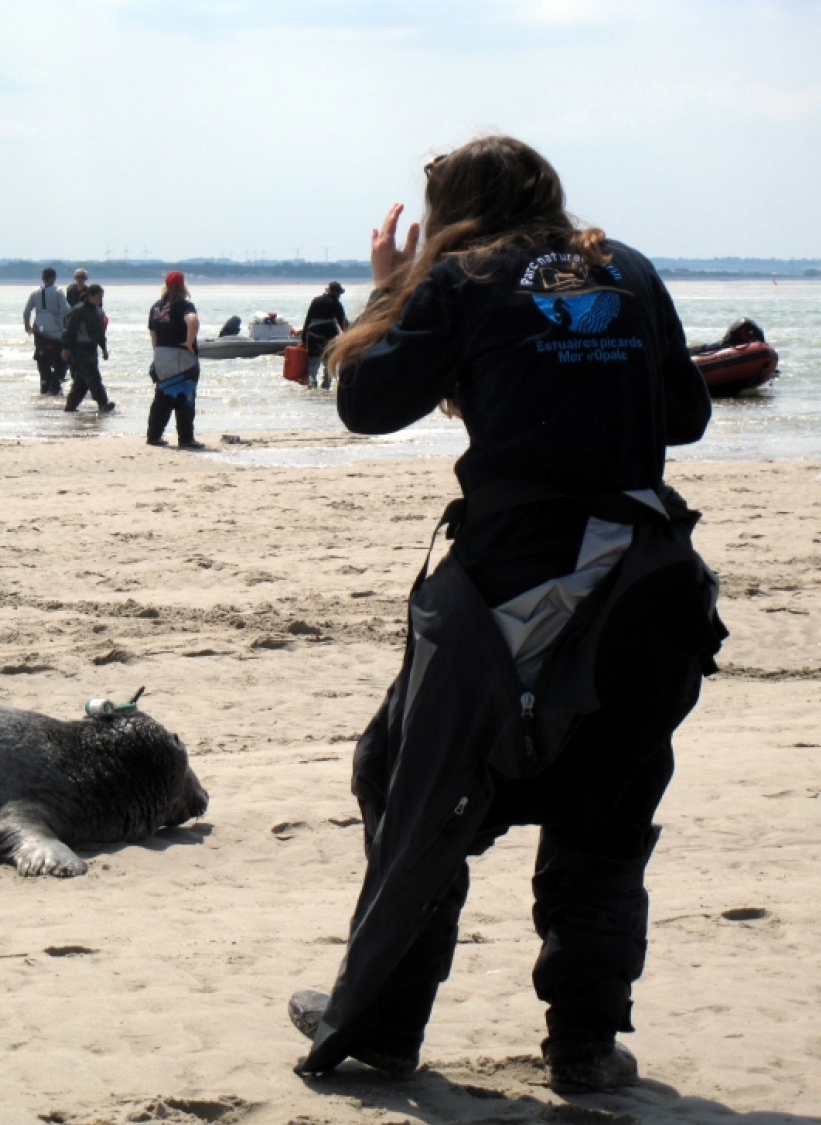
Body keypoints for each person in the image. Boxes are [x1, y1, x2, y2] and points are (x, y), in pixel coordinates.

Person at [288, 136, 724, 1094]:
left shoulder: (467, 279)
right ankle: (585, 1044)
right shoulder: (630, 268)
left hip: (514, 592)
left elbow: (363, 402)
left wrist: (391, 290)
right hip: (646, 591)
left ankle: (385, 1027)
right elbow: (686, 417)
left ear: (452, 211)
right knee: (606, 812)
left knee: (402, 777)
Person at [146, 271, 204, 448]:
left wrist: (157, 352)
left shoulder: (157, 307)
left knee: (162, 395)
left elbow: (153, 333)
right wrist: (188, 342)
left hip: (162, 354)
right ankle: (186, 438)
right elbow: (192, 320)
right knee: (184, 395)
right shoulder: (184, 306)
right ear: (183, 286)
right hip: (181, 356)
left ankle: (154, 436)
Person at [60, 284, 115, 413]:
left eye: (102, 297)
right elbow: (69, 330)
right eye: (98, 296)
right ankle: (103, 403)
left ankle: (70, 407)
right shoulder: (78, 310)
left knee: (82, 381)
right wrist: (65, 348)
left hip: (92, 349)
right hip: (79, 349)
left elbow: (101, 333)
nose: (100, 299)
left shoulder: (99, 312)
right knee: (93, 376)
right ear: (90, 296)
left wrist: (104, 349)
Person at [24, 267, 69, 395]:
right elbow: (66, 310)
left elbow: (26, 311)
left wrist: (27, 327)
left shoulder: (34, 292)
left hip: (39, 332)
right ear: (54, 278)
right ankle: (56, 384)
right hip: (57, 333)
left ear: (42, 279)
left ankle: (45, 385)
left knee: (42, 360)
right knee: (63, 361)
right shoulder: (58, 291)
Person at [301, 281, 349, 389]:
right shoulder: (336, 304)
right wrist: (349, 337)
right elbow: (342, 323)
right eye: (339, 294)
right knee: (329, 362)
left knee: (313, 362)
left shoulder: (316, 301)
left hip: (313, 335)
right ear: (337, 293)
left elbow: (308, 319)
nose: (339, 296)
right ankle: (326, 385)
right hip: (329, 337)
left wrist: (304, 338)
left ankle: (312, 383)